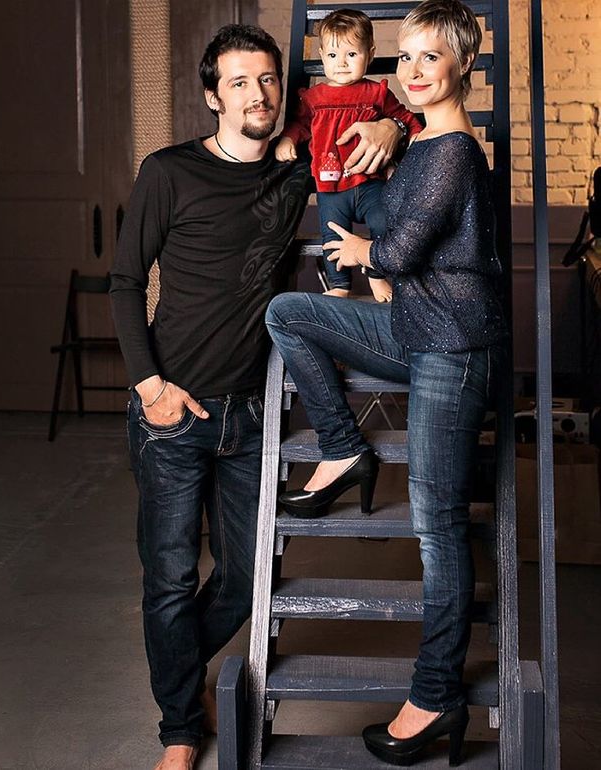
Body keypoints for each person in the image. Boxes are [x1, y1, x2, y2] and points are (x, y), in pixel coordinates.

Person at [110, 22, 401, 770]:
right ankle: (180, 729)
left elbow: (376, 154)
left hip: (249, 414)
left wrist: (388, 125)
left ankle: (181, 674)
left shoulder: (295, 173)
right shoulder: (167, 172)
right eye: (239, 82)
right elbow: (124, 282)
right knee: (170, 579)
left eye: (268, 79)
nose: (257, 94)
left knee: (244, 580)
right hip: (171, 411)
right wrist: (150, 387)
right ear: (213, 96)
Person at [265, 0, 508, 765]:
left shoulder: (454, 151)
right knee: (287, 313)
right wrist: (388, 131)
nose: (412, 70)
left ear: (463, 64)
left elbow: (400, 253)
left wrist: (363, 251)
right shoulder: (420, 137)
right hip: (411, 329)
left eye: (429, 56)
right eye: (403, 56)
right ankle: (343, 447)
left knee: (436, 527)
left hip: (453, 348)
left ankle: (434, 698)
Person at [276, 8, 422, 302]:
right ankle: (340, 284)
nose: (341, 63)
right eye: (332, 55)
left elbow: (404, 118)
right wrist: (287, 139)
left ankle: (377, 276)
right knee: (333, 235)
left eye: (351, 54)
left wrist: (417, 135)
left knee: (383, 224)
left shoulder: (376, 93)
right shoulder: (314, 98)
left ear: (370, 54)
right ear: (322, 55)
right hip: (331, 187)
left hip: (370, 182)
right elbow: (299, 124)